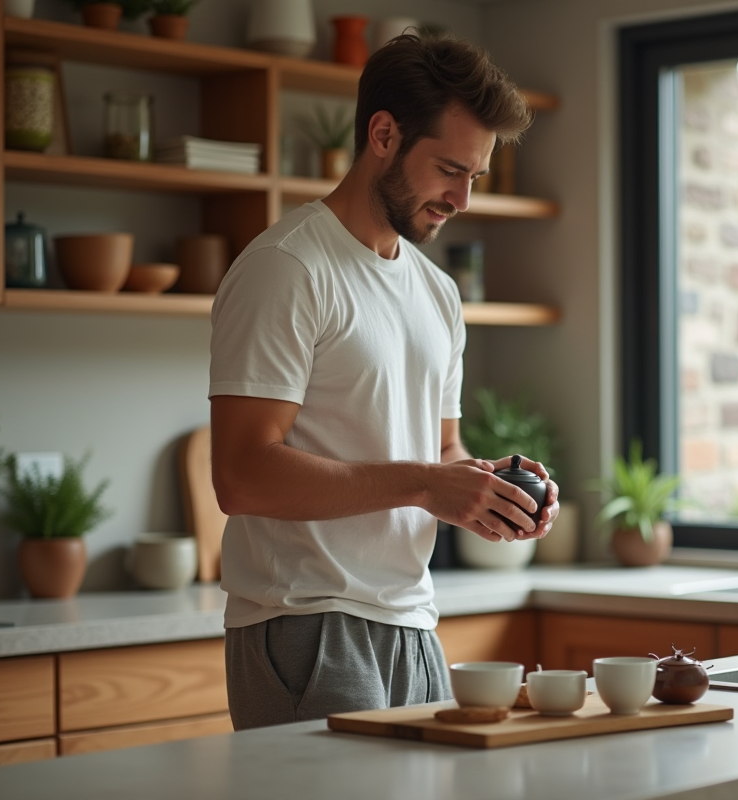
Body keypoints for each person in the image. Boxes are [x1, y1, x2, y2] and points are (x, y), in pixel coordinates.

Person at [208, 32, 560, 731]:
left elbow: (442, 452)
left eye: (476, 176)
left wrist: (488, 492)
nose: (462, 198)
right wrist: (426, 484)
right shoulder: (288, 268)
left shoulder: (437, 292)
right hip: (306, 623)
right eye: (449, 169)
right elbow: (240, 476)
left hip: (413, 624)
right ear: (383, 135)